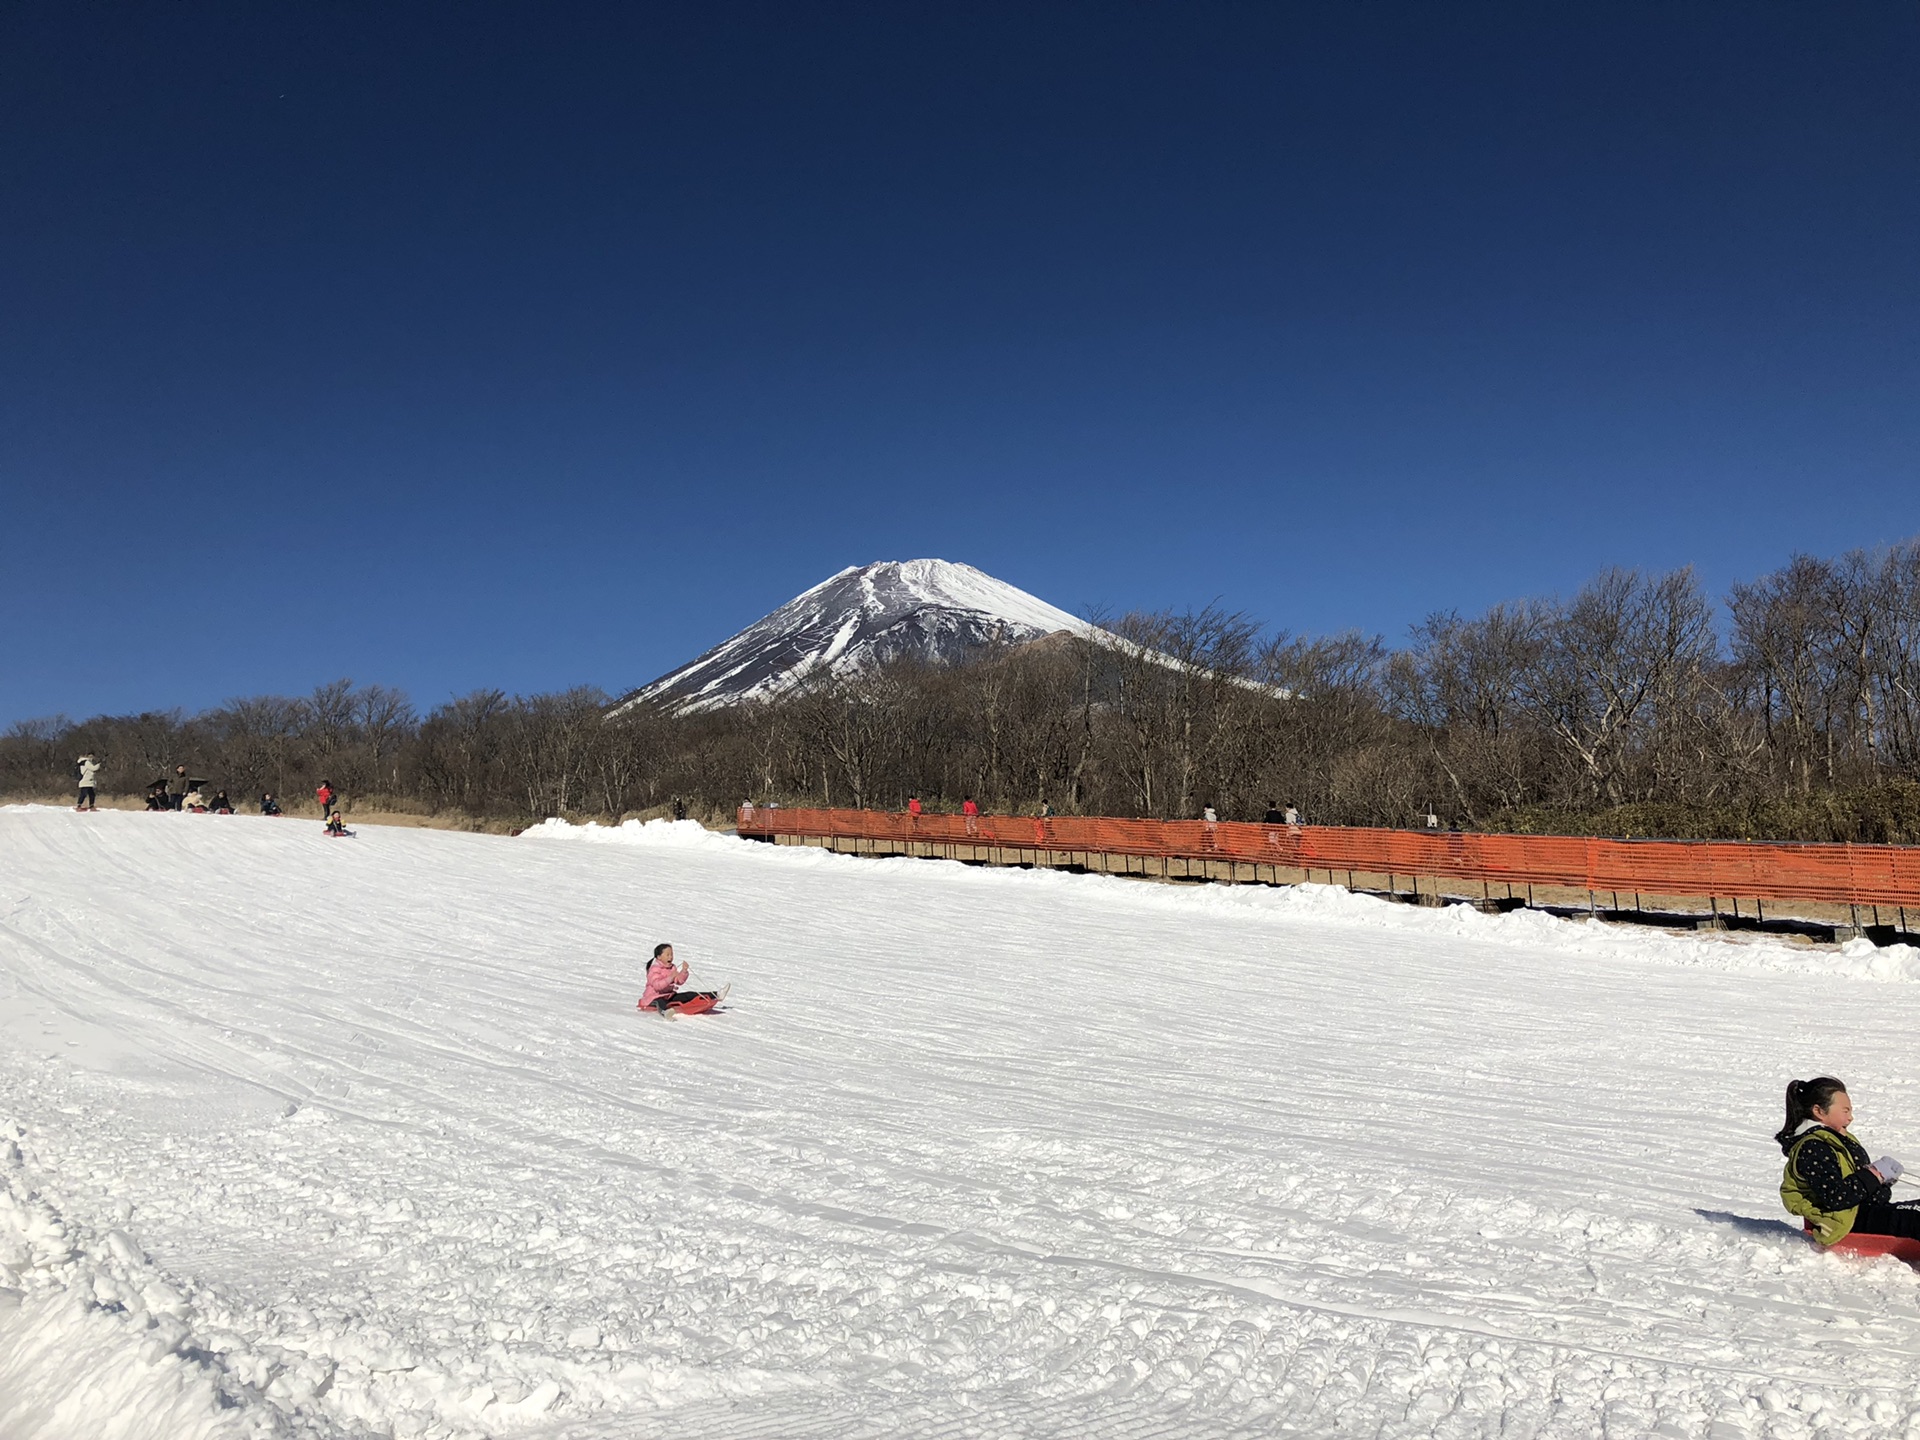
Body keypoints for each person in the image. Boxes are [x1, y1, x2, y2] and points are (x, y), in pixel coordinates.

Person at [1777, 1076, 1918, 1243]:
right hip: (1842, 1221)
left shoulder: (1840, 1140)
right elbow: (1836, 1197)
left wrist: (1883, 1180)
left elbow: (1861, 1188)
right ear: (1819, 1111)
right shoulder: (1812, 1149)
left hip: (1865, 1212)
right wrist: (1874, 1174)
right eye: (1845, 1111)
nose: (1851, 1118)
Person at [638, 942, 726, 1015]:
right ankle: (665, 1013)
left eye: (672, 954)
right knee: (660, 1002)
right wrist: (671, 977)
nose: (670, 957)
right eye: (667, 955)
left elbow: (679, 981)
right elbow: (657, 986)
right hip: (652, 998)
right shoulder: (654, 969)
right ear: (659, 957)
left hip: (669, 995)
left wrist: (683, 971)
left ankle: (716, 994)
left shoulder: (672, 967)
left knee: (688, 995)